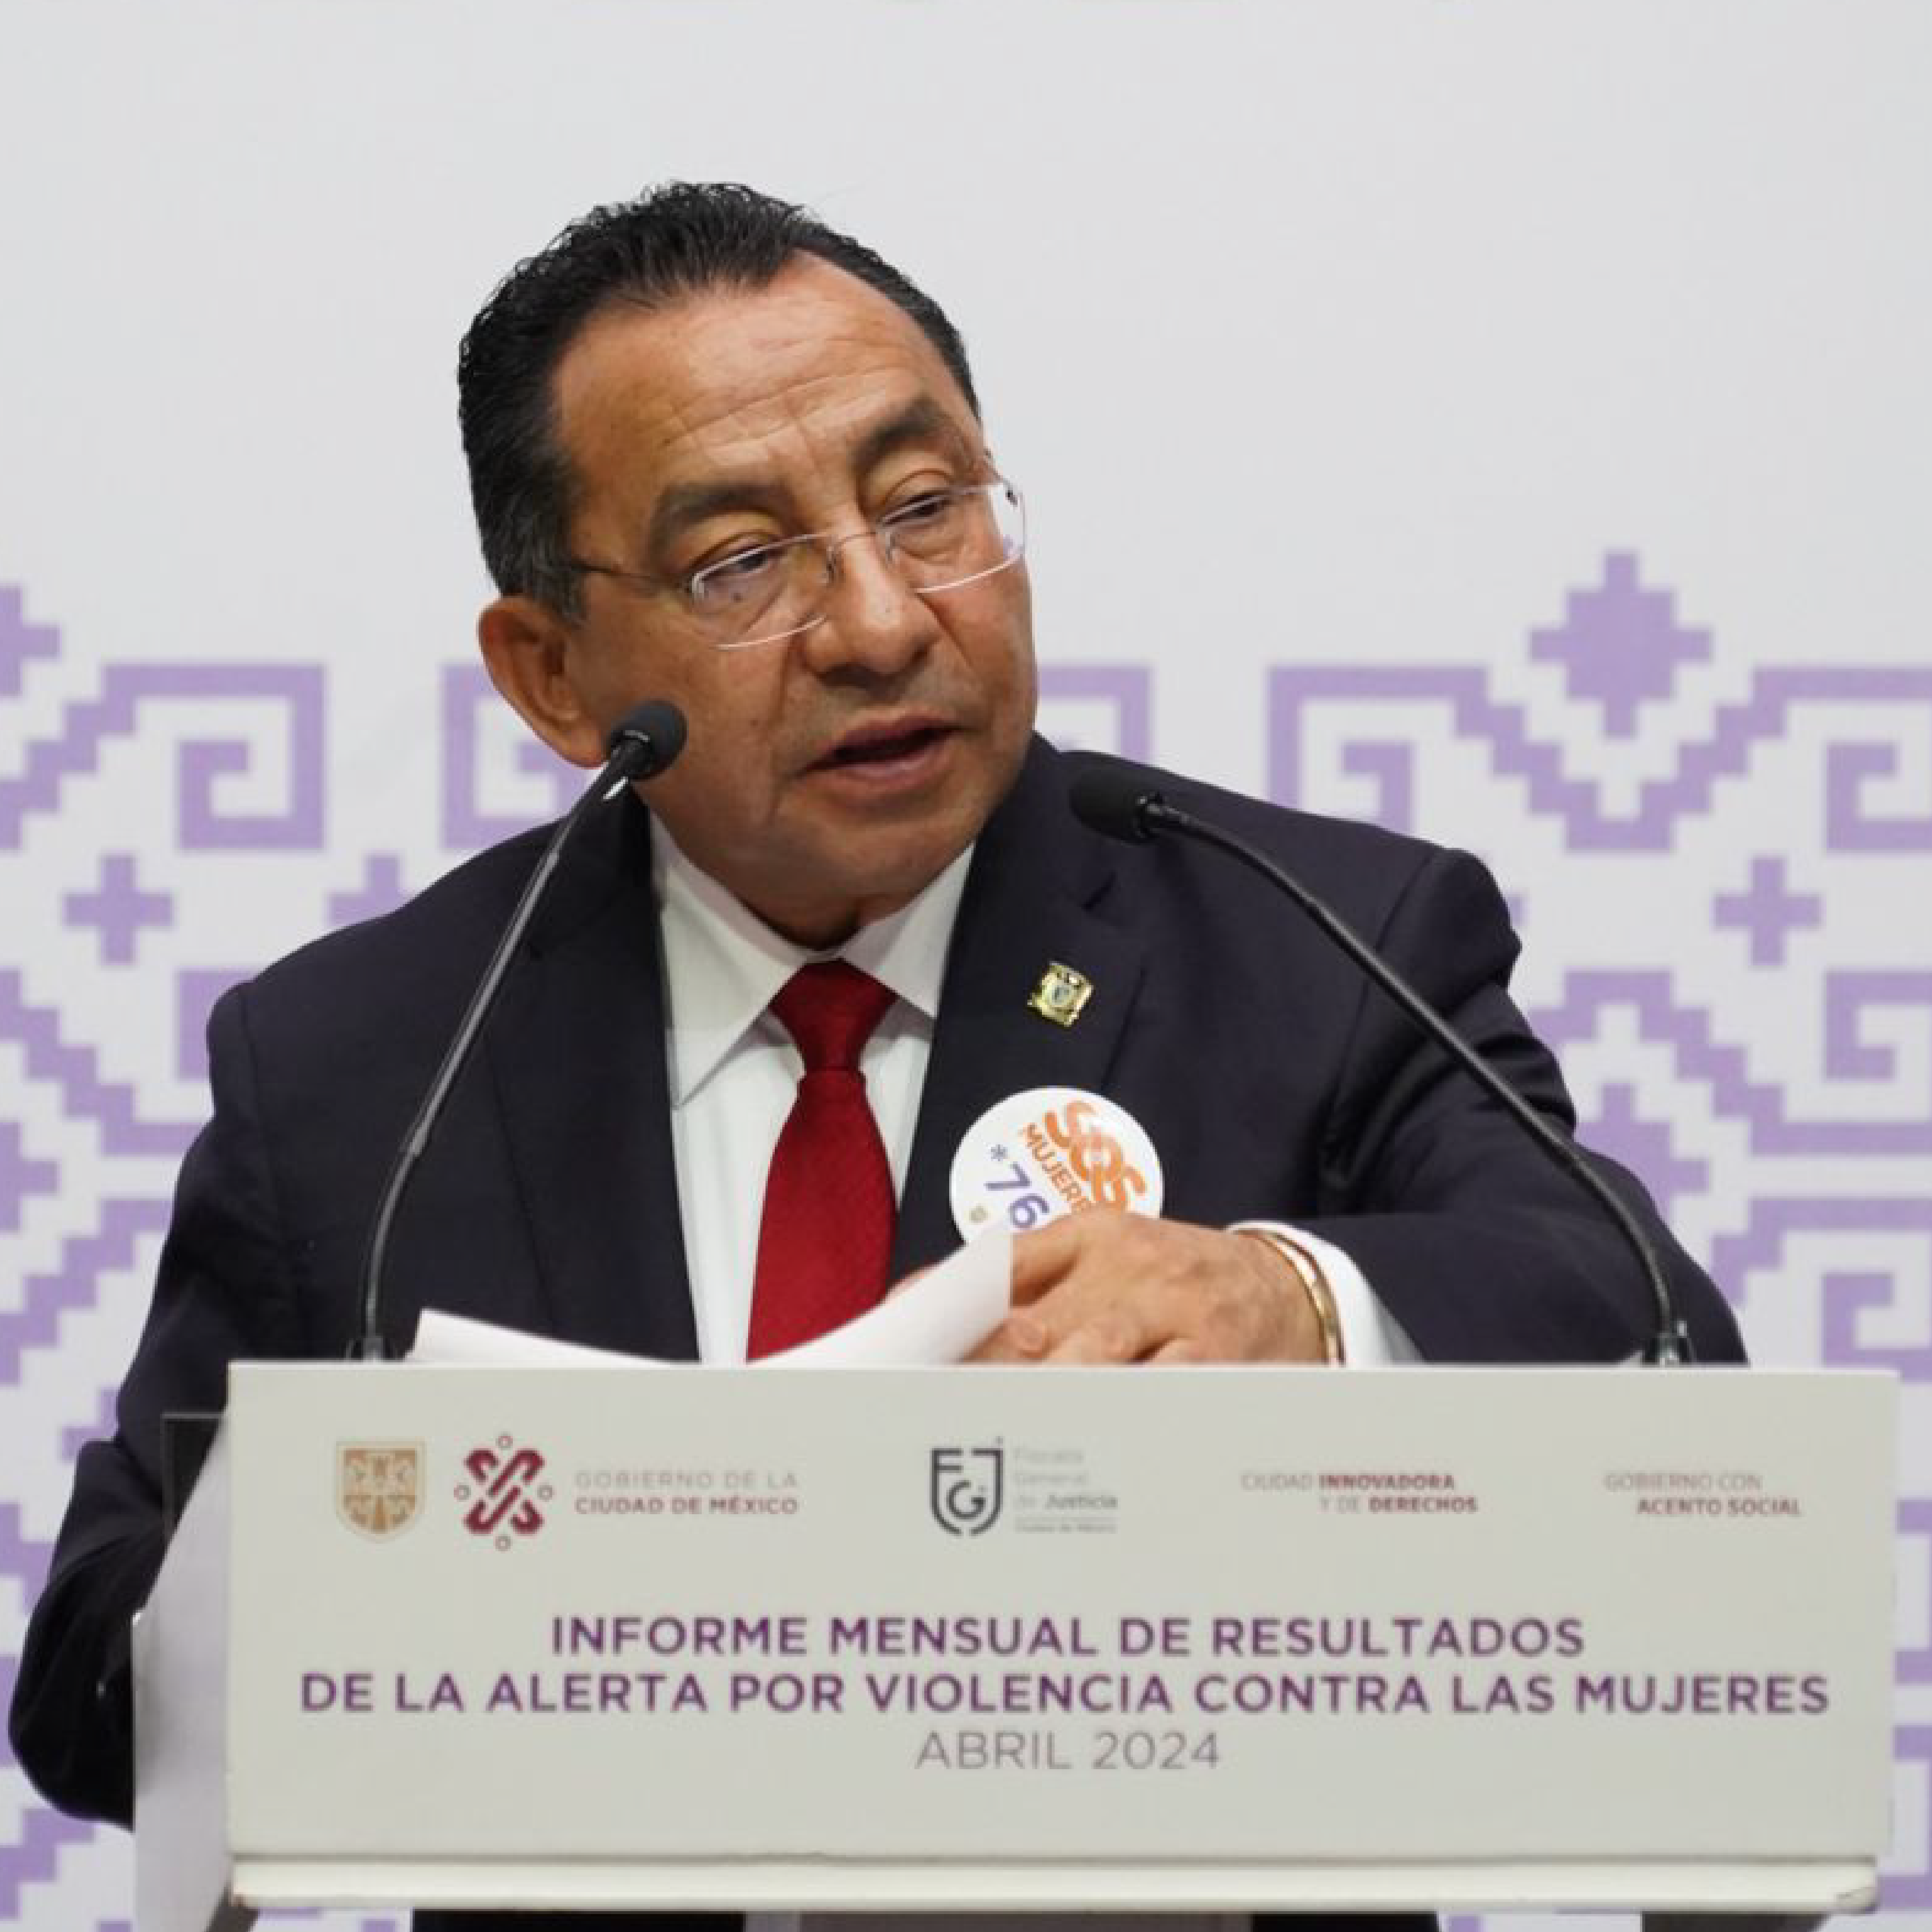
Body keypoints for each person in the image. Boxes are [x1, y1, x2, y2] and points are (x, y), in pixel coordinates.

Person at [10, 183, 1745, 1929]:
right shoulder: (368, 1064)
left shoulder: (1319, 941)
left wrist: (1298, 1301)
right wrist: (391, 1564)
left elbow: (1646, 1318)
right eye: (741, 561)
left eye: (927, 508)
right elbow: (91, 1689)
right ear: (551, 674)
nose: (881, 623)